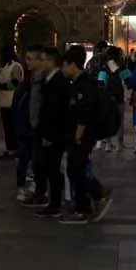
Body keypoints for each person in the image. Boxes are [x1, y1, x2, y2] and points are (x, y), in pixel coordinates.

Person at [57, 46, 112, 225]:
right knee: (76, 169)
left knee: (76, 169)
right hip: (79, 135)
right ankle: (88, 202)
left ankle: (90, 201)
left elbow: (84, 113)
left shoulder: (84, 85)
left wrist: (78, 136)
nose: (63, 70)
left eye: (64, 66)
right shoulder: (79, 83)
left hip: (83, 136)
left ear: (73, 65)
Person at [34, 47, 70, 218]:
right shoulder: (49, 79)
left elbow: (54, 111)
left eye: (43, 60)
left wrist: (49, 135)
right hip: (49, 131)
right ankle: (53, 199)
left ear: (51, 61)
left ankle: (55, 202)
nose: (40, 63)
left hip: (54, 133)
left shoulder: (57, 81)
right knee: (49, 166)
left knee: (52, 167)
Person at [14, 47, 42, 200]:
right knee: (25, 157)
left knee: (35, 158)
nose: (28, 62)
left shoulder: (38, 81)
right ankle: (22, 186)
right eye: (27, 59)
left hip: (34, 127)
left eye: (31, 59)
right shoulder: (26, 84)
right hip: (25, 127)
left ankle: (35, 186)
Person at [0, 44, 23, 157]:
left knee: (11, 126)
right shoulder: (5, 66)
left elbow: (16, 82)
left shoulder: (15, 66)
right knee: (7, 126)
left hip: (12, 100)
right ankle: (10, 147)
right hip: (4, 100)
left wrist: (5, 85)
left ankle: (14, 148)